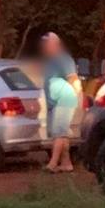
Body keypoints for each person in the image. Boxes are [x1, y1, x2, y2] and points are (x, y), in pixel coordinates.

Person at [40, 32, 81, 174]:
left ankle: (52, 164)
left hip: (63, 100)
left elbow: (73, 78)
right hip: (54, 102)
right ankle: (66, 163)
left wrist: (76, 97)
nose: (44, 47)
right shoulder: (50, 61)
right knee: (60, 133)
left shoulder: (63, 59)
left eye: (47, 44)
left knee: (59, 133)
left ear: (55, 45)